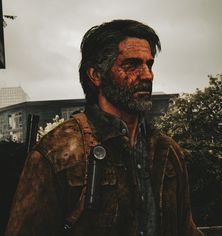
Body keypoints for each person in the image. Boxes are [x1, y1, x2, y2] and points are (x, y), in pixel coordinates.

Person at [5, 19, 203, 236]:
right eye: (132, 64)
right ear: (96, 75)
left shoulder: (167, 152)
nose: (147, 75)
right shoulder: (57, 153)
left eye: (149, 64)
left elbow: (186, 228)